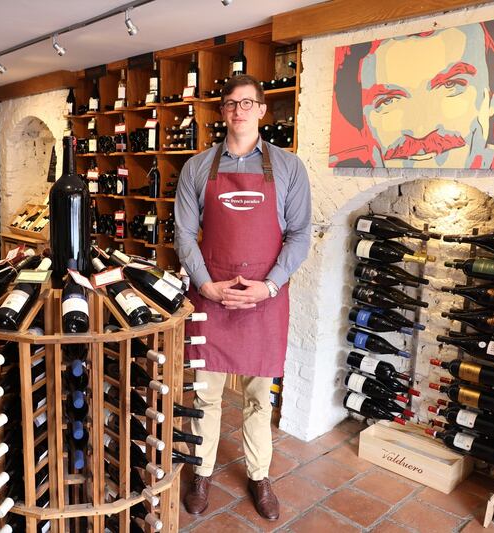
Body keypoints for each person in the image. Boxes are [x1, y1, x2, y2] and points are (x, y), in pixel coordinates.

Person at [174, 74, 311, 520]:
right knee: (205, 395)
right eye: (231, 103)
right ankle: (201, 472)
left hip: (264, 299)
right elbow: (184, 235)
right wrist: (205, 284)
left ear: (262, 110)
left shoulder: (289, 167)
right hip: (211, 296)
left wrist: (269, 285)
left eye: (247, 103)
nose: (239, 111)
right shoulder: (197, 167)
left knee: (259, 398)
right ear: (222, 111)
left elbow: (300, 235)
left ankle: (259, 475)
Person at [330, 14, 494, 169]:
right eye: (388, 101)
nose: (420, 130)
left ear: (492, 97)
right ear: (364, 120)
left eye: (450, 86)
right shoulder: (344, 168)